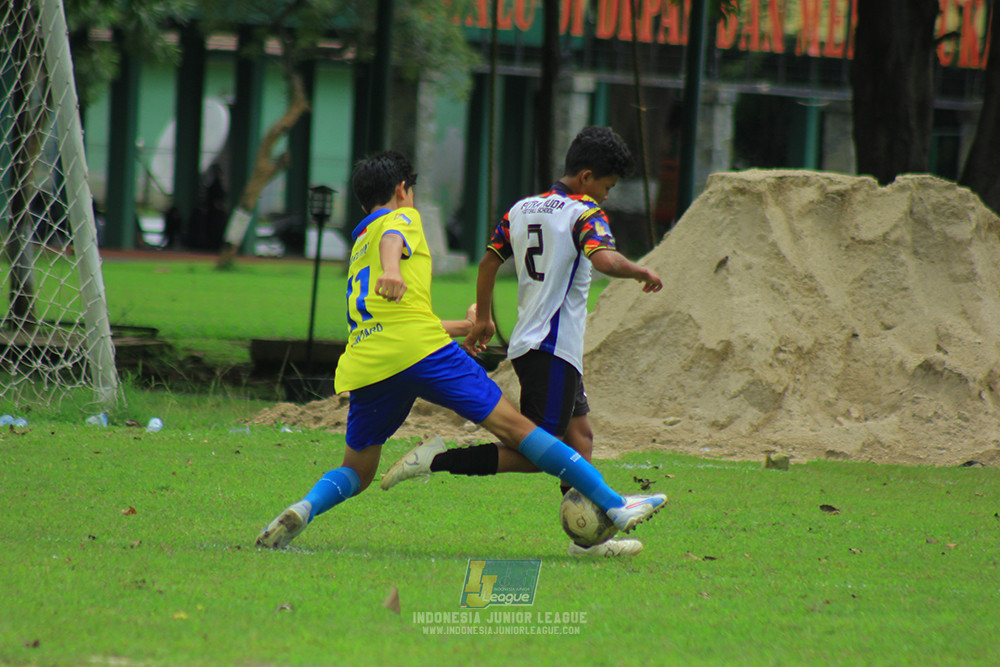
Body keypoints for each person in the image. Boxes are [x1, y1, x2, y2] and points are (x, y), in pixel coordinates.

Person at [255, 150, 665, 549]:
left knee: (357, 472)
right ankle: (615, 504)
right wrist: (394, 268)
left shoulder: (360, 245)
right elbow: (395, 237)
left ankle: (305, 507)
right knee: (520, 430)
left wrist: (466, 326)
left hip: (369, 362)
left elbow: (400, 318)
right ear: (401, 190)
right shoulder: (400, 219)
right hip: (423, 354)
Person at [379, 127, 664, 557]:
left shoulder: (522, 208)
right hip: (552, 347)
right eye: (606, 187)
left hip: (542, 346)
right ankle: (436, 460)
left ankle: (586, 543)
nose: (606, 196)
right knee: (539, 452)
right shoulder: (583, 213)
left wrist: (484, 317)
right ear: (586, 178)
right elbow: (604, 259)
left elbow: (488, 262)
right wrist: (639, 270)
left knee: (580, 439)